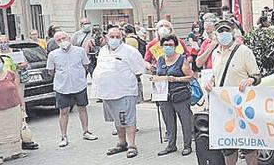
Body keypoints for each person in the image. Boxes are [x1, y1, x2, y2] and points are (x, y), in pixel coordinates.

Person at [204, 19, 264, 165]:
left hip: (242, 105)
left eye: (226, 30)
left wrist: (250, 80)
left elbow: (257, 75)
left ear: (232, 32)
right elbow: (216, 76)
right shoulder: (215, 54)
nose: (223, 34)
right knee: (227, 145)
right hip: (223, 106)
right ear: (215, 34)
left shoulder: (244, 51)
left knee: (248, 146)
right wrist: (211, 83)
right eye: (219, 31)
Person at [92, 26, 150, 158]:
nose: (114, 39)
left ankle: (131, 145)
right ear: (106, 37)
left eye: (117, 37)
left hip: (124, 91)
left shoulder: (130, 51)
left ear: (122, 38)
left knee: (128, 119)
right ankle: (121, 142)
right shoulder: (102, 51)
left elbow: (138, 69)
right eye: (112, 36)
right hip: (107, 92)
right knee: (117, 119)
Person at [45, 30, 98, 147]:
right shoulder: (53, 55)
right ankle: (63, 136)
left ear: (68, 38)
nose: (62, 41)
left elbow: (86, 65)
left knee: (82, 108)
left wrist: (79, 75)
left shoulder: (80, 51)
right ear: (56, 42)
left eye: (64, 38)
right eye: (59, 40)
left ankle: (86, 131)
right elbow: (50, 71)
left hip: (79, 85)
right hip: (62, 87)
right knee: (63, 111)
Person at [154, 34, 198, 156]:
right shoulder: (161, 60)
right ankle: (171, 145)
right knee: (168, 121)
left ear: (175, 46)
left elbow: (191, 77)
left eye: (171, 45)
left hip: (180, 95)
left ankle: (187, 145)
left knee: (185, 121)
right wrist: (155, 79)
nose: (168, 47)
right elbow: (158, 74)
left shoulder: (181, 60)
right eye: (165, 45)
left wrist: (176, 79)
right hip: (164, 96)